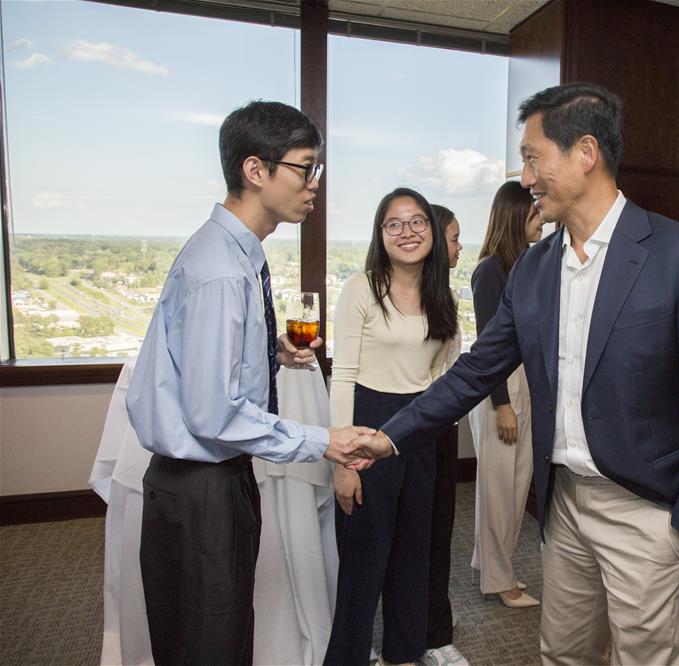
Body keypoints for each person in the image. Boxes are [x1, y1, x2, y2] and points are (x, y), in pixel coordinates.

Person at [349, 82, 679, 665]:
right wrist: (389, 437)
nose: (526, 175)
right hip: (563, 505)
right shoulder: (535, 268)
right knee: (561, 655)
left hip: (646, 512)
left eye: (534, 157)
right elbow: (474, 372)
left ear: (586, 153)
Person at [125, 100, 372, 666]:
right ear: (255, 170)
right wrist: (322, 440)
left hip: (212, 481)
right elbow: (213, 416)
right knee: (209, 641)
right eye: (305, 169)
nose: (314, 185)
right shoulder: (220, 269)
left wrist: (269, 352)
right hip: (200, 487)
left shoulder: (239, 254)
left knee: (223, 634)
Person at [324, 188, 458, 666]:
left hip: (419, 433)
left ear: (431, 231)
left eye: (417, 221)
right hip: (366, 426)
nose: (407, 232)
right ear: (380, 235)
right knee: (363, 563)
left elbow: (446, 376)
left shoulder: (445, 293)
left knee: (412, 558)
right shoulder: (361, 288)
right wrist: (342, 461)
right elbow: (341, 376)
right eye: (394, 224)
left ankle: (404, 654)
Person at [469, 181, 543, 608]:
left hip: (524, 381)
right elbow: (487, 347)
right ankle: (500, 580)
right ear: (517, 217)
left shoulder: (524, 264)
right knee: (502, 489)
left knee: (513, 486)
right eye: (534, 214)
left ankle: (489, 561)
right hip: (501, 389)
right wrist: (502, 405)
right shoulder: (489, 271)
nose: (541, 220)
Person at [420, 203, 469, 666]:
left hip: (443, 429)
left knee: (439, 534)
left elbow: (454, 369)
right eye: (454, 238)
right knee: (402, 537)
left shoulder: (448, 298)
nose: (460, 247)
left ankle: (435, 631)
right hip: (406, 429)